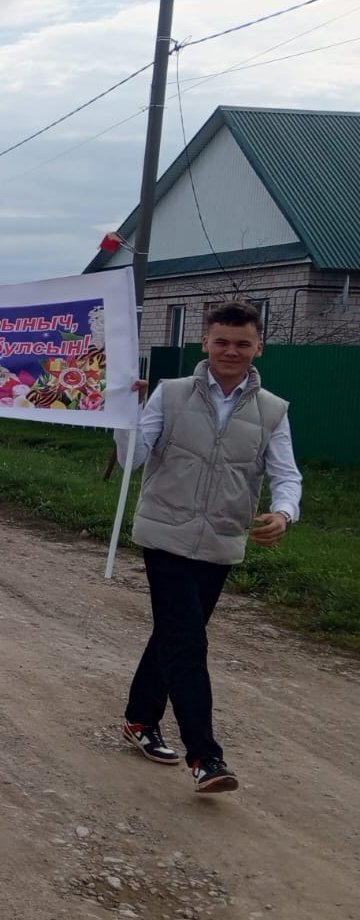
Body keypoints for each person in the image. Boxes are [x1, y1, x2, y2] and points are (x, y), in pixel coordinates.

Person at [115, 300, 301, 794]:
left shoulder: (273, 410)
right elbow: (133, 458)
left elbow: (286, 474)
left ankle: (140, 719)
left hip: (221, 541)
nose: (231, 351)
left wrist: (283, 513)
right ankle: (205, 756)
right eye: (222, 341)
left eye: (242, 343)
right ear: (205, 343)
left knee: (175, 634)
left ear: (259, 347)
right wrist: (126, 415)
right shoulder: (171, 393)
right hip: (165, 535)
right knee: (187, 642)